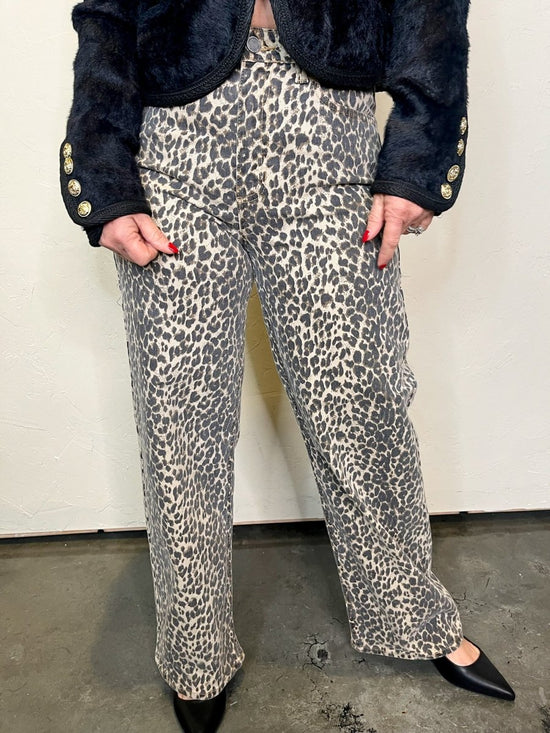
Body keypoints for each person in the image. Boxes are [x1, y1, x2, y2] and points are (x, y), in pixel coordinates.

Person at [59, 1, 516, 730]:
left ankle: (412, 614)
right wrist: (102, 177)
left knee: (361, 402)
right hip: (171, 140)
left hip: (326, 127)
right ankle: (195, 652)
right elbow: (109, 10)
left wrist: (418, 156)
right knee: (179, 418)